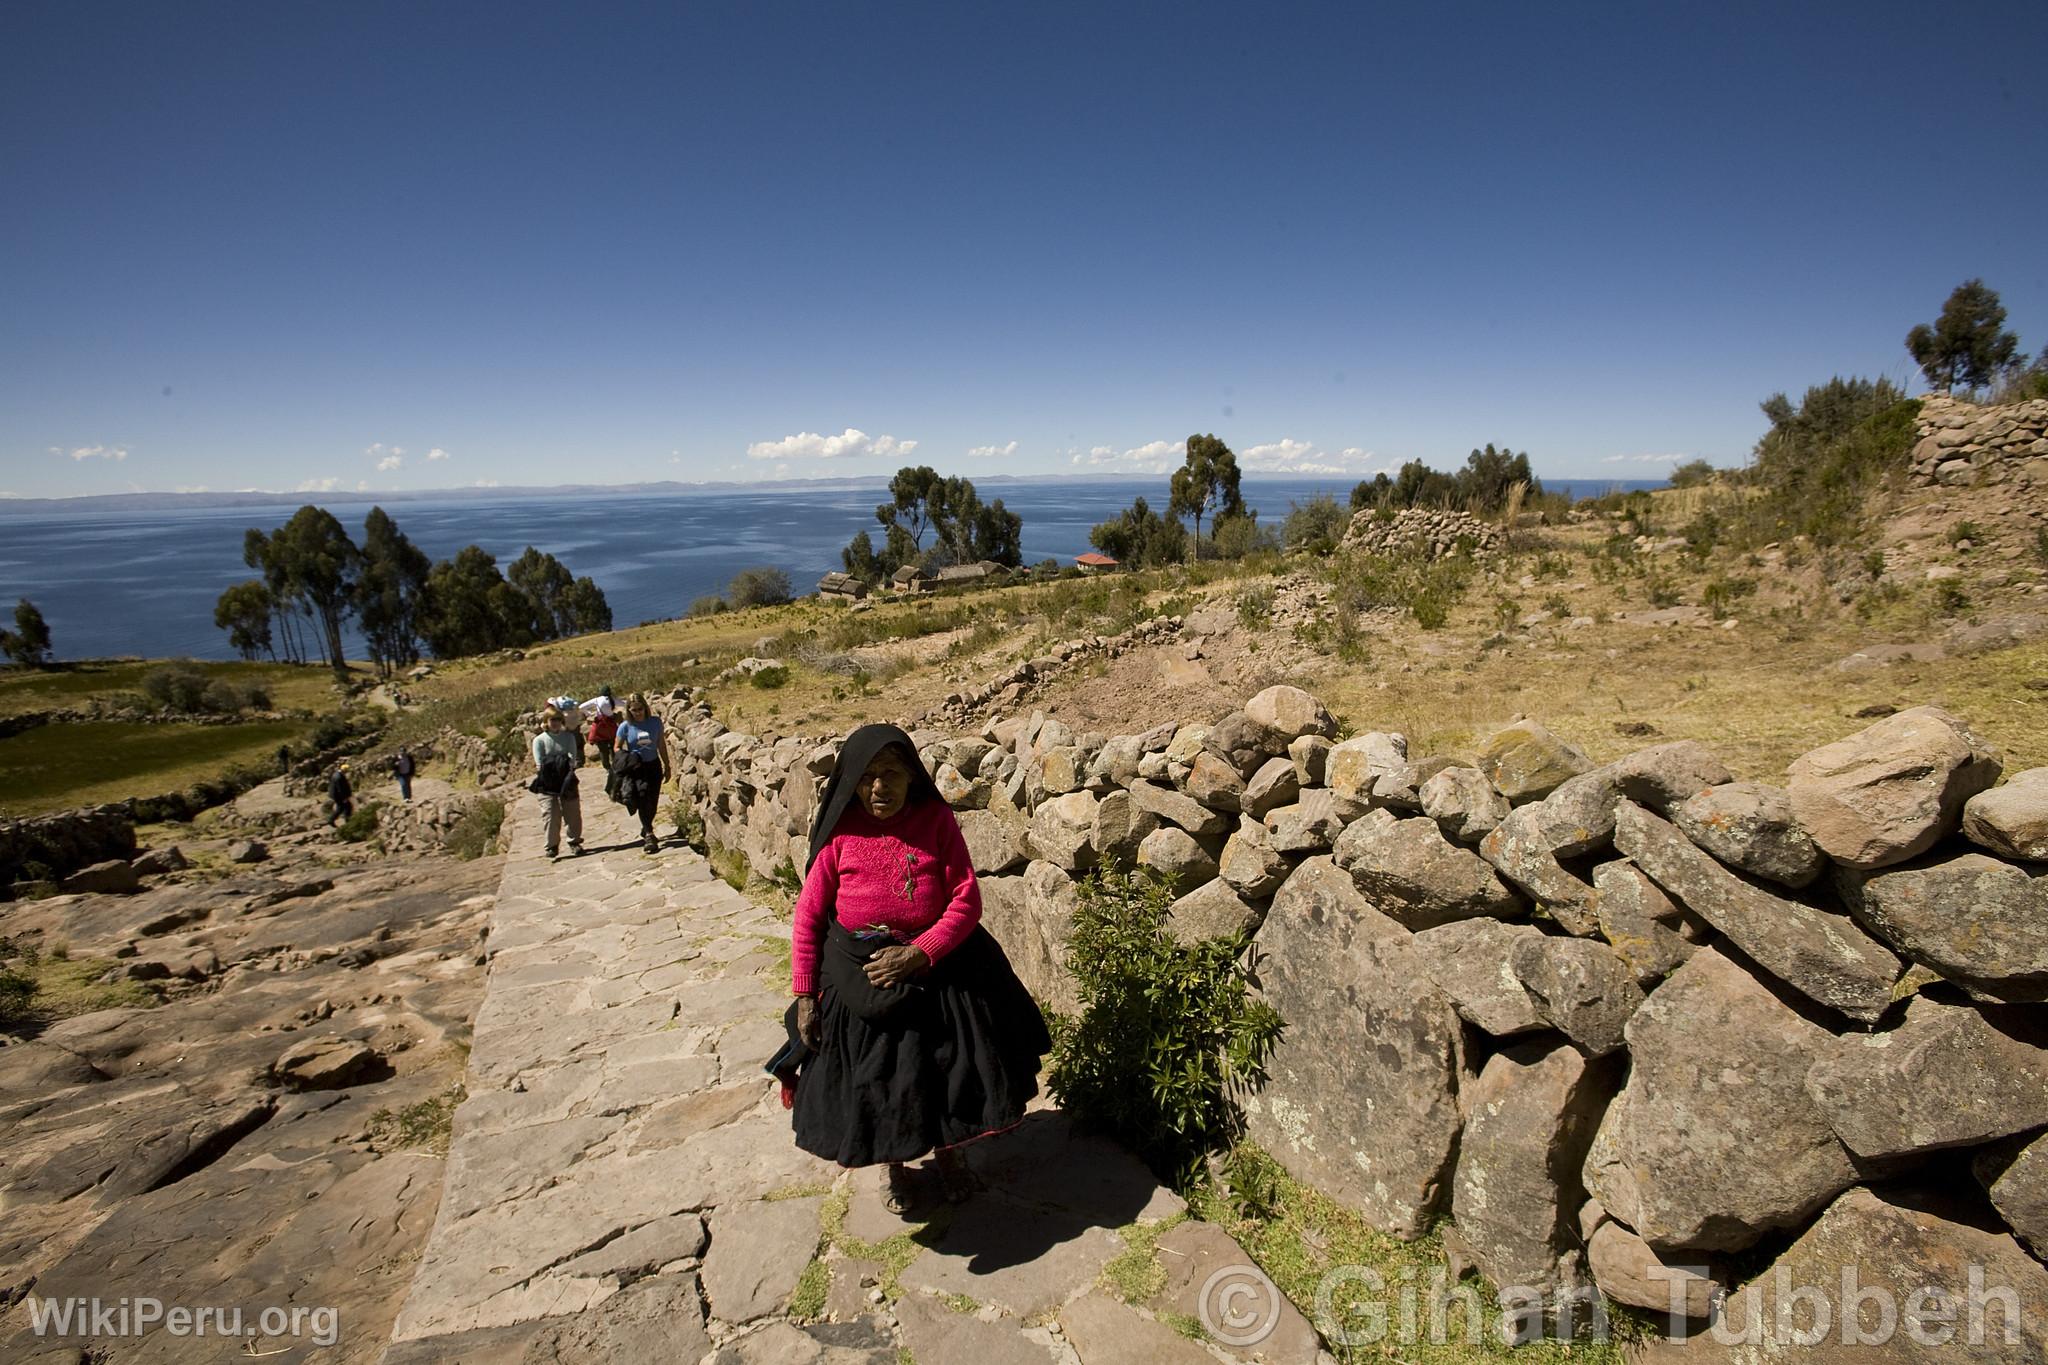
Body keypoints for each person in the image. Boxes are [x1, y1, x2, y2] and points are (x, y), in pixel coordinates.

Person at [782, 724, 1050, 1213]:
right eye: (866, 777)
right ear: (851, 783)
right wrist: (805, 995)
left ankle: (949, 1156)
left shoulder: (934, 822)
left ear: (911, 778)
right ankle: (895, 1168)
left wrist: (922, 951)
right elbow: (809, 916)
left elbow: (966, 900)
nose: (878, 788)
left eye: (890, 775)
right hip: (859, 973)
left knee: (944, 1071)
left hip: (937, 965)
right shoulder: (841, 834)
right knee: (881, 1079)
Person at [614, 693, 670, 854]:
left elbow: (661, 744)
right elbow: (616, 746)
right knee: (642, 796)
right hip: (637, 766)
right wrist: (627, 757)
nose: (637, 713)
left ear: (645, 708)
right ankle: (649, 833)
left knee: (652, 799)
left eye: (640, 709)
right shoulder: (625, 727)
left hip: (653, 764)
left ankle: (646, 827)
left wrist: (667, 765)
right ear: (628, 711)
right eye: (633, 710)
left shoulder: (655, 722)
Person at [530, 707, 584, 860]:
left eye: (558, 720)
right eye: (552, 720)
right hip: (547, 780)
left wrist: (566, 766)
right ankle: (552, 845)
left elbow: (573, 757)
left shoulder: (568, 737)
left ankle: (574, 841)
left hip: (566, 777)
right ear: (546, 722)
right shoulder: (539, 740)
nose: (555, 723)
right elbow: (539, 762)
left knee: (572, 810)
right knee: (550, 813)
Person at [580, 687, 619, 770]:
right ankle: (616, 766)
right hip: (611, 726)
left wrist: (588, 713)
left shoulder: (597, 700)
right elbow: (625, 703)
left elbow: (581, 707)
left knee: (603, 750)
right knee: (614, 747)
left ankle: (607, 768)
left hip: (600, 727)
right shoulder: (612, 700)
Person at [326, 762, 354, 828]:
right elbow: (340, 789)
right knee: (346, 807)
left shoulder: (337, 774)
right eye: (347, 770)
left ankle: (332, 820)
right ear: (344, 770)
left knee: (342, 808)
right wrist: (344, 798)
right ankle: (347, 821)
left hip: (337, 795)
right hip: (339, 796)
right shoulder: (339, 777)